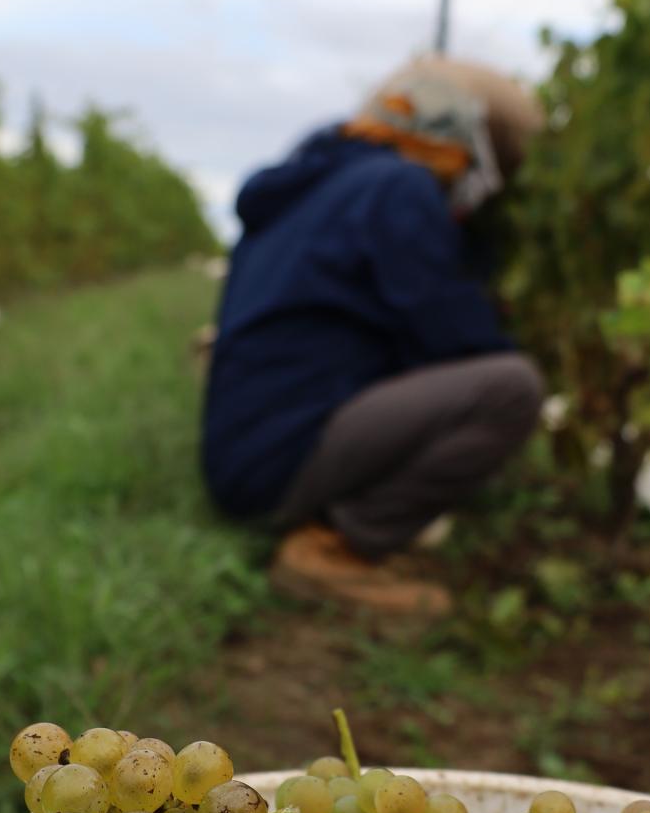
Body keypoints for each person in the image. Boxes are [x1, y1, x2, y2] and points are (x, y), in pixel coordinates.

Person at [201, 54, 545, 617]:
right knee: (510, 388)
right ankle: (335, 549)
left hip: (243, 454)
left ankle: (335, 524)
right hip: (280, 462)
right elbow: (458, 341)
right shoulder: (400, 189)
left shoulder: (315, 185)